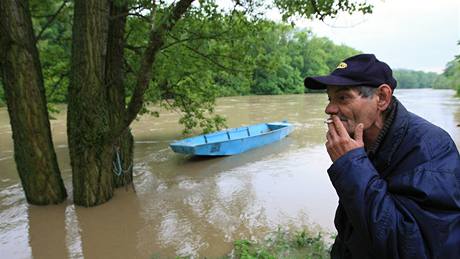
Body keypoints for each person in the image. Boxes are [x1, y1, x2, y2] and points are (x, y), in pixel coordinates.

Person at [304, 54, 460, 258]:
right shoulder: (361, 143)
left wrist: (352, 166)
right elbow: (352, 226)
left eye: (342, 97)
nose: (329, 109)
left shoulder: (431, 148)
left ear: (382, 98)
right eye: (330, 98)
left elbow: (413, 248)